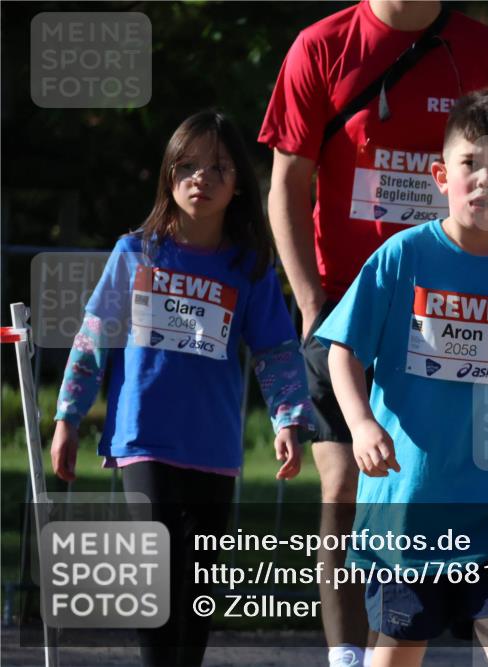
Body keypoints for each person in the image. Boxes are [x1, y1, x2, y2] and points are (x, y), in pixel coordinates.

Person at [257, 3, 488, 662]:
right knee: (344, 487)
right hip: (346, 310)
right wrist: (311, 301)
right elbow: (287, 186)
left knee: (434, 484)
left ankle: (396, 647)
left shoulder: (486, 51)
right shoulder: (322, 46)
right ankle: (347, 654)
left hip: (453, 313)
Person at [312, 90, 488, 667]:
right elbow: (342, 352)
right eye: (471, 163)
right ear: (442, 176)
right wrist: (362, 424)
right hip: (410, 509)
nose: (486, 179)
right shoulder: (402, 257)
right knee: (399, 651)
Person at [49, 110, 313, 667]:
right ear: (169, 173)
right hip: (142, 438)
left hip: (213, 447)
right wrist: (68, 418)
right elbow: (92, 340)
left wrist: (289, 418)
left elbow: (276, 350)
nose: (202, 178)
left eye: (219, 167)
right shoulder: (134, 253)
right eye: (189, 165)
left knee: (197, 587)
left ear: (238, 183)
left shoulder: (250, 267)